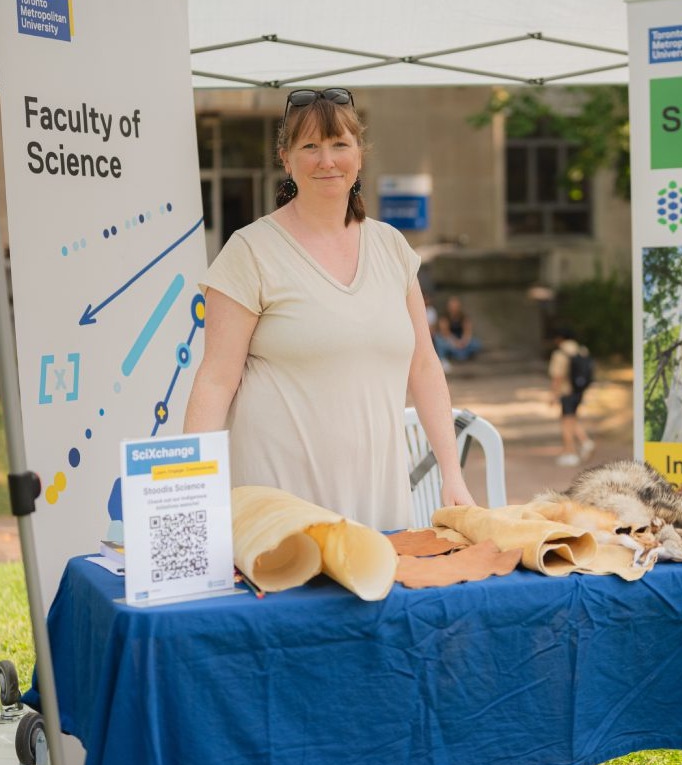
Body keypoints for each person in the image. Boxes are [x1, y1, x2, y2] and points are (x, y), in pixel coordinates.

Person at [184, 87, 474, 530]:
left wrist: (451, 474)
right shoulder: (250, 250)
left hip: (379, 498)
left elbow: (425, 366)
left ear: (359, 155)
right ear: (286, 158)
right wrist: (191, 492)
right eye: (310, 147)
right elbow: (215, 379)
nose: (327, 160)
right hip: (280, 507)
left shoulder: (392, 246)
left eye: (340, 144)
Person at [549, 327, 595, 467]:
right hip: (579, 390)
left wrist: (554, 394)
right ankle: (585, 442)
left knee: (566, 423)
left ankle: (570, 452)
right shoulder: (581, 350)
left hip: (567, 391)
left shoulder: (560, 353)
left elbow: (558, 376)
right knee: (572, 418)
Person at [434, 295, 481, 364]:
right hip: (450, 342)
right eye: (452, 305)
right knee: (439, 341)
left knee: (476, 344)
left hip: (462, 342)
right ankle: (444, 360)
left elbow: (467, 332)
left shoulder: (463, 317)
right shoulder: (444, 318)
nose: (454, 308)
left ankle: (461, 355)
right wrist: (456, 343)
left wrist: (463, 342)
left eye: (455, 305)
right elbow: (445, 333)